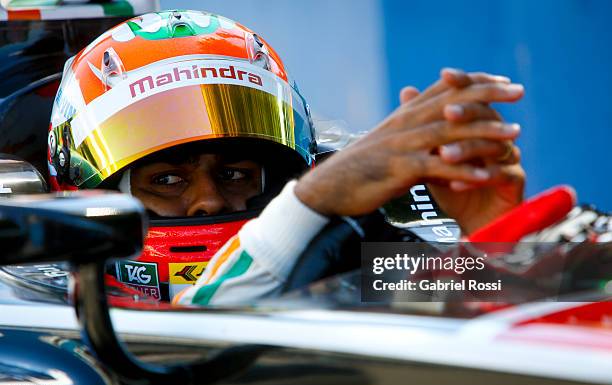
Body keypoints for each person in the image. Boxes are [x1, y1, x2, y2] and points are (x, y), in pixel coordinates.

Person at [47, 10, 524, 303]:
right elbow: (207, 327)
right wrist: (310, 203)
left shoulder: (341, 245)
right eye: (168, 180)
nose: (209, 202)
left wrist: (490, 242)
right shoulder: (32, 294)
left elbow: (522, 312)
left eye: (235, 173)